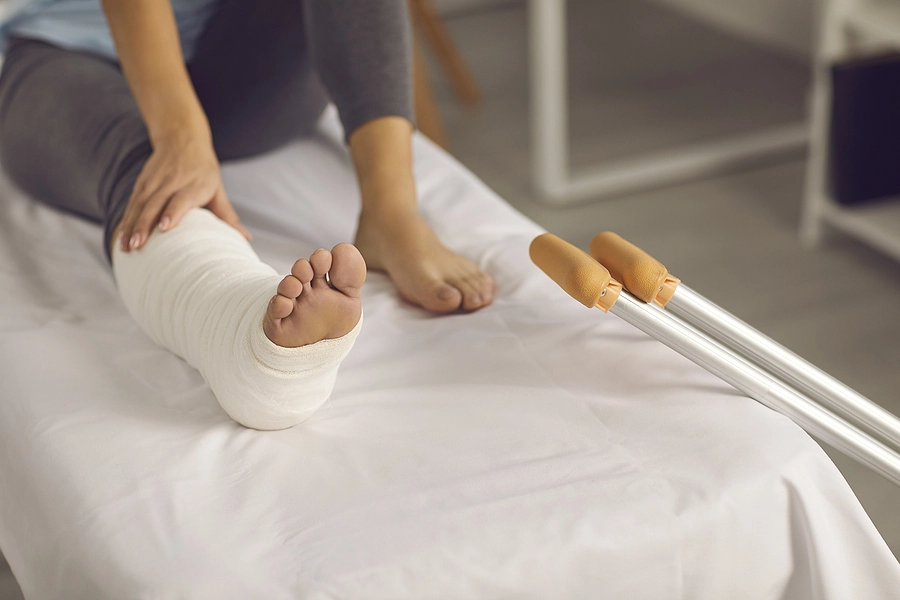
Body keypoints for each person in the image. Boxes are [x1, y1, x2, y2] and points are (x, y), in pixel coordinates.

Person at [0, 0, 495, 429]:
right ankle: (249, 344)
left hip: (237, 68)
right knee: (150, 174)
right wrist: (180, 137)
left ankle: (391, 212)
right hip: (66, 57)